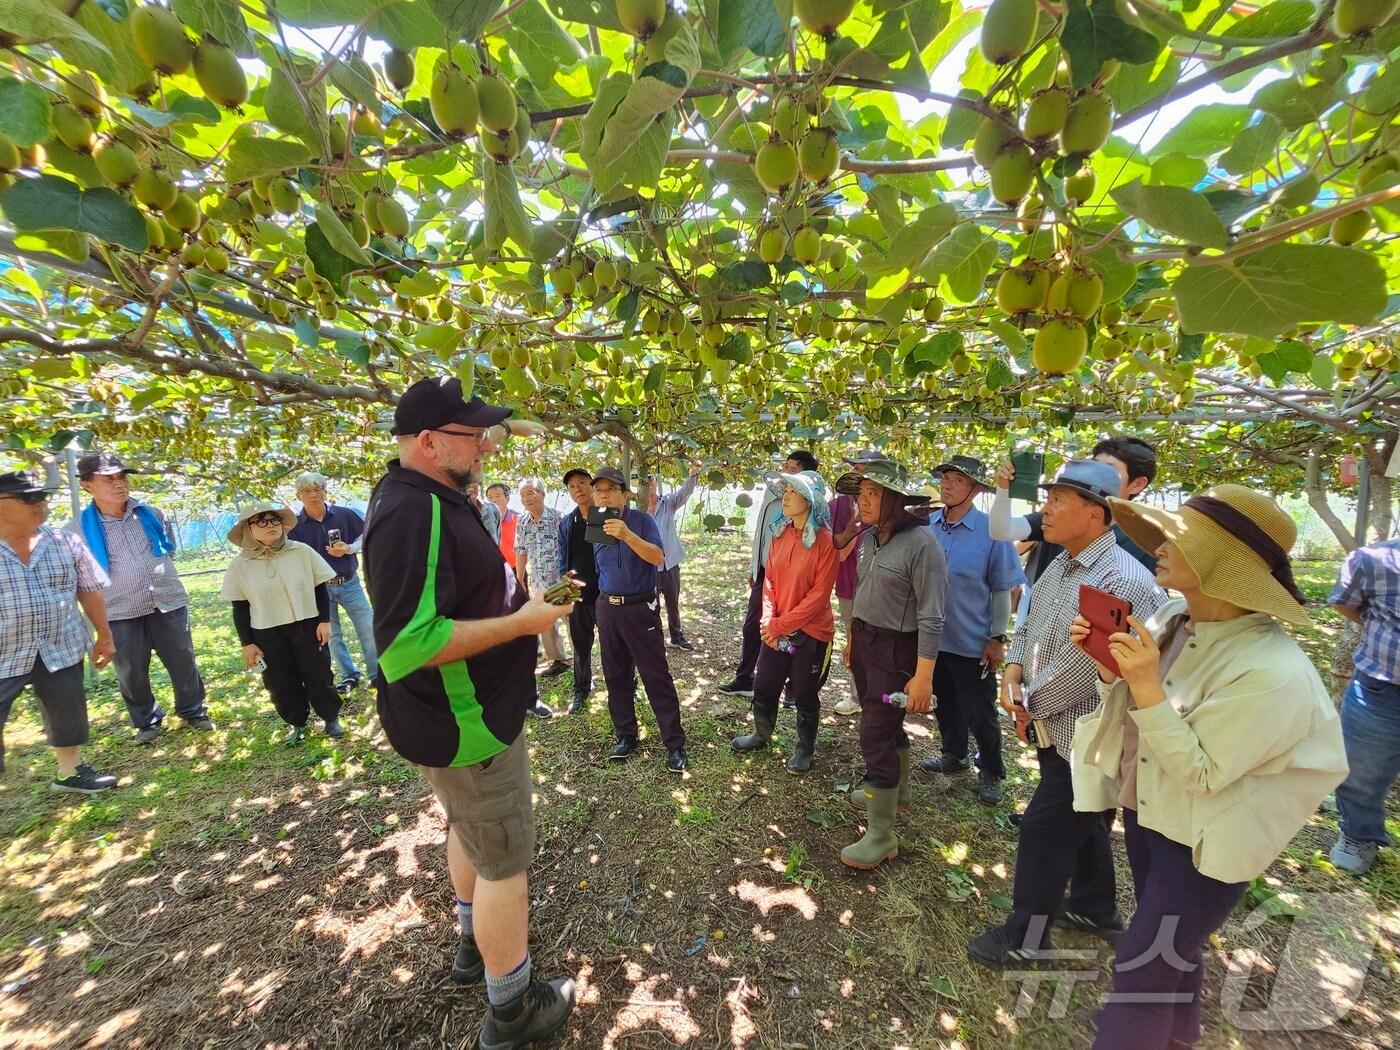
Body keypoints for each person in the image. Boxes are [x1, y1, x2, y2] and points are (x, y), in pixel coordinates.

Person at [1070, 485, 1347, 1050]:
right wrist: (1110, 666)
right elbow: (1138, 712)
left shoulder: (1273, 672)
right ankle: (1176, 1038)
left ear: (1224, 560)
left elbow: (1202, 772)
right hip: (1151, 811)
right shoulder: (1176, 617)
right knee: (1173, 951)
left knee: (1144, 965)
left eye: (1179, 539)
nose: (1159, 547)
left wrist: (1145, 686)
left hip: (1206, 841)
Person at [363, 377, 576, 1044]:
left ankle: (469, 942)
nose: (486, 445)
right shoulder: (415, 513)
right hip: (468, 724)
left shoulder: (422, 492)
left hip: (448, 722)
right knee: (504, 863)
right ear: (429, 442)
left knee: (468, 830)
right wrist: (523, 624)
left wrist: (520, 601)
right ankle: (511, 1010)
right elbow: (407, 645)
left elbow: (449, 597)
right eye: (473, 435)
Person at [967, 461, 1162, 967]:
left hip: (1091, 731)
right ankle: (1096, 907)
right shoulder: (1063, 562)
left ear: (1095, 513)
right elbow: (1032, 622)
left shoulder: (1118, 579)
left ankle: (1027, 936)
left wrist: (1029, 704)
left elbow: (1085, 668)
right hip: (1061, 724)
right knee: (1087, 814)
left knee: (1044, 829)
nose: (1046, 510)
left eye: (1057, 500)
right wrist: (1014, 668)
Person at [835, 460, 947, 870]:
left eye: (873, 494)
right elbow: (863, 590)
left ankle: (882, 835)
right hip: (867, 642)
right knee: (882, 721)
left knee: (874, 734)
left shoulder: (922, 545)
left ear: (897, 499)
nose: (862, 502)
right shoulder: (870, 537)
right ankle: (896, 794)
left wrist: (923, 677)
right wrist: (853, 641)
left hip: (896, 651)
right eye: (861, 494)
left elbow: (932, 616)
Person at [74, 452, 213, 743]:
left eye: (122, 477)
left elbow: (168, 550)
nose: (119, 483)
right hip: (119, 610)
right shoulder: (76, 530)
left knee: (182, 659)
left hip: (167, 600)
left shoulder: (152, 514)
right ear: (87, 485)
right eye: (108, 479)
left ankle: (193, 710)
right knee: (131, 670)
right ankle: (146, 721)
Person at [0, 469, 118, 793]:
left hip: (59, 643)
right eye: (29, 498)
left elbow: (89, 589)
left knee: (66, 707)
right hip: (4, 651)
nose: (41, 503)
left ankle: (70, 771)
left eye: (43, 496)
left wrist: (104, 635)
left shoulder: (64, 541)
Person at [920, 456, 1025, 805]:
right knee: (944, 700)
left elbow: (1002, 589)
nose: (947, 485)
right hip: (933, 639)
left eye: (958, 480)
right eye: (945, 478)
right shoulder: (929, 526)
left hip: (972, 640)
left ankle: (991, 769)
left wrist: (997, 637)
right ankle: (954, 754)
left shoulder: (992, 531)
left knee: (979, 710)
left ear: (976, 489)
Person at [730, 470, 838, 774]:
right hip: (776, 629)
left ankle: (804, 748)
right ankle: (762, 733)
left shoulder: (826, 542)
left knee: (804, 692)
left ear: (811, 501)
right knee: (765, 684)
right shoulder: (780, 534)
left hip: (811, 633)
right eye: (785, 490)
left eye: (792, 491)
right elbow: (770, 583)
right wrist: (768, 620)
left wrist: (779, 625)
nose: (785, 496)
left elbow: (818, 597)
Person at [590, 467, 689, 772]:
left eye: (610, 489)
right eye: (598, 490)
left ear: (625, 494)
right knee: (615, 674)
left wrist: (627, 535)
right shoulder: (597, 522)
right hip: (608, 609)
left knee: (655, 675)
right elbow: (600, 567)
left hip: (639, 609)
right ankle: (625, 735)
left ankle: (674, 743)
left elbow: (658, 557)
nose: (603, 495)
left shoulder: (642, 521)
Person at [222, 502, 343, 746]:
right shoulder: (239, 565)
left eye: (275, 520)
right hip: (267, 631)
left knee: (318, 673)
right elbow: (240, 607)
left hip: (307, 624)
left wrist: (324, 621)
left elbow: (319, 587)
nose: (271, 525)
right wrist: (247, 643)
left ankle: (330, 718)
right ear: (247, 528)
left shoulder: (301, 551)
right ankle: (297, 723)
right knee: (280, 680)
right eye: (262, 521)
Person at [991, 437, 1159, 591]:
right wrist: (1003, 489)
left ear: (1137, 484)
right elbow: (1002, 531)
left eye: (1108, 469)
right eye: (1094, 465)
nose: (1096, 474)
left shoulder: (1147, 543)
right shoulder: (1056, 518)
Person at [719, 450, 820, 697]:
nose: (786, 473)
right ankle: (746, 678)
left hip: (793, 577)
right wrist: (755, 566)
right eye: (785, 467)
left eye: (793, 469)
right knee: (754, 624)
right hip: (766, 572)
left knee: (795, 629)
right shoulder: (772, 492)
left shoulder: (811, 504)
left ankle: (793, 689)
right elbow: (761, 533)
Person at [1327, 536, 1400, 875]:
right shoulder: (1374, 560)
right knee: (1361, 770)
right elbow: (1346, 603)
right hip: (1381, 688)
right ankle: (1358, 834)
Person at [289, 472, 379, 697]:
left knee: (367, 628)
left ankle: (377, 674)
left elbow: (365, 536)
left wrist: (348, 548)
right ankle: (349, 674)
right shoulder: (295, 527)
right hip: (319, 589)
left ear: (325, 491)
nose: (313, 495)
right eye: (307, 491)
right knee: (331, 635)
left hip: (349, 583)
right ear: (298, 495)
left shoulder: (344, 515)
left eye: (317, 489)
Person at [829, 450, 882, 716]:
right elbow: (839, 553)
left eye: (868, 471)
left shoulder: (891, 506)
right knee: (854, 638)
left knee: (884, 641)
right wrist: (855, 521)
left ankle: (883, 695)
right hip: (850, 585)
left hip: (884, 589)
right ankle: (856, 695)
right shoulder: (837, 506)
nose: (861, 476)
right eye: (857, 470)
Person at [515, 477, 569, 687]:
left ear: (543, 494)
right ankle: (559, 660)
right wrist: (520, 578)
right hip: (538, 581)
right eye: (523, 495)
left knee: (570, 622)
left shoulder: (558, 518)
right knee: (545, 624)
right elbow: (521, 551)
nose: (526, 498)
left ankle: (581, 660)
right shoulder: (522, 522)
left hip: (560, 580)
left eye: (531, 493)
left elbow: (569, 548)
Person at [558, 468, 599, 715]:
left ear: (592, 485)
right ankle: (581, 689)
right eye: (572, 487)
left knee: (617, 646)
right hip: (577, 596)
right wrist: (565, 598)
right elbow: (563, 561)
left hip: (605, 594)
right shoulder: (567, 522)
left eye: (582, 483)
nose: (578, 489)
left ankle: (629, 683)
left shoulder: (605, 516)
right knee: (580, 646)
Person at [648, 464, 700, 650]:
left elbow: (684, 493)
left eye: (652, 483)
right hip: (649, 567)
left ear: (656, 484)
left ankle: (677, 637)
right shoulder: (637, 510)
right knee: (652, 605)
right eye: (646, 484)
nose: (650, 487)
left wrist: (693, 475)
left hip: (670, 564)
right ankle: (654, 639)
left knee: (673, 603)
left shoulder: (667, 503)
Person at [488, 483, 519, 570]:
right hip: (492, 569)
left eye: (497, 496)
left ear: (507, 498)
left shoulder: (518, 519)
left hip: (516, 568)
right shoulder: (483, 520)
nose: (493, 500)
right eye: (490, 497)